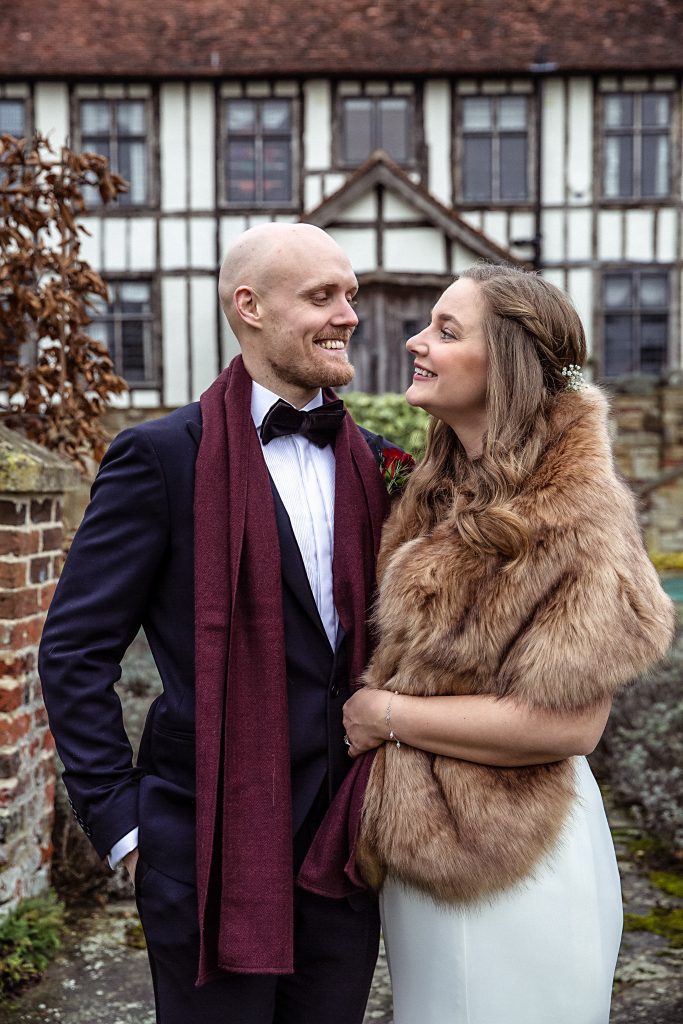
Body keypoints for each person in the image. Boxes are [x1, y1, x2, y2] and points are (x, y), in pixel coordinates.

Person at [39, 222, 405, 1024]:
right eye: (321, 296)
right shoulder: (160, 456)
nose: (348, 314)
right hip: (203, 844)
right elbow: (74, 651)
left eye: (351, 295)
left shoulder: (378, 463)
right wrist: (125, 829)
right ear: (249, 307)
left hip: (343, 846)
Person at [335, 265, 674, 1024]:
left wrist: (380, 713)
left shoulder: (575, 513)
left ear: (509, 364)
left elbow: (568, 726)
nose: (416, 343)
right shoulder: (435, 487)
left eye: (447, 331)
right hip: (429, 855)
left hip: (511, 856)